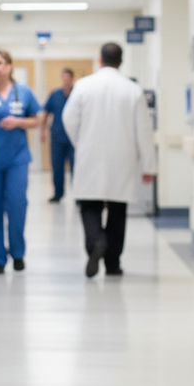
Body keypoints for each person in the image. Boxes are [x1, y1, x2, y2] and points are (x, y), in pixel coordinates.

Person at [62, 42, 157, 278]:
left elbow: (68, 119)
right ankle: (113, 264)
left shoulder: (83, 86)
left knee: (89, 206)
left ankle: (95, 244)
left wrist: (81, 142)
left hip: (89, 155)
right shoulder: (132, 89)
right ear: (120, 62)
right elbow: (144, 130)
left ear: (100, 60)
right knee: (117, 210)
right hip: (122, 158)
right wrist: (149, 165)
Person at [0, 49, 41, 273]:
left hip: (17, 159)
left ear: (9, 66)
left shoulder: (22, 92)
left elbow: (37, 119)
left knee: (17, 205)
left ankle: (17, 252)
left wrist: (18, 122)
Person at [41, 68, 76, 202]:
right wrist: (43, 131)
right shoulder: (55, 94)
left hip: (74, 139)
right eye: (64, 78)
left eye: (68, 78)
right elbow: (46, 113)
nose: (66, 80)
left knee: (76, 167)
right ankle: (58, 193)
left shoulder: (77, 94)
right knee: (57, 167)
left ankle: (78, 195)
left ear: (72, 78)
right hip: (57, 137)